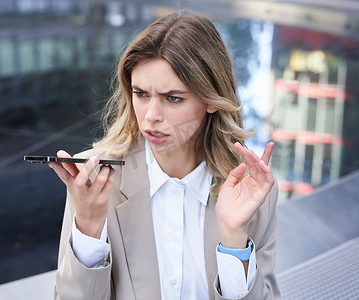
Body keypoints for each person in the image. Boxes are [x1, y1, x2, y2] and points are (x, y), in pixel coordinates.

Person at [50, 10, 280, 300]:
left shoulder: (252, 191)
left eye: (173, 98)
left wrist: (234, 240)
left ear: (211, 100)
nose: (151, 117)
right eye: (141, 94)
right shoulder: (94, 179)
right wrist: (89, 227)